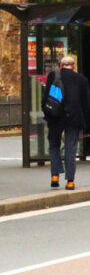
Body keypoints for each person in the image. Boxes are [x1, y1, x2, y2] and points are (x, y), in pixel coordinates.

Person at [44, 56, 90, 190]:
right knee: (71, 148)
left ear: (60, 65)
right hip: (74, 118)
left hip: (55, 117)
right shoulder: (82, 79)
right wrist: (85, 122)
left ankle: (55, 176)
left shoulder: (53, 76)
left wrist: (48, 115)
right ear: (73, 66)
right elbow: (86, 103)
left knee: (54, 145)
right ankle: (70, 181)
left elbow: (46, 97)